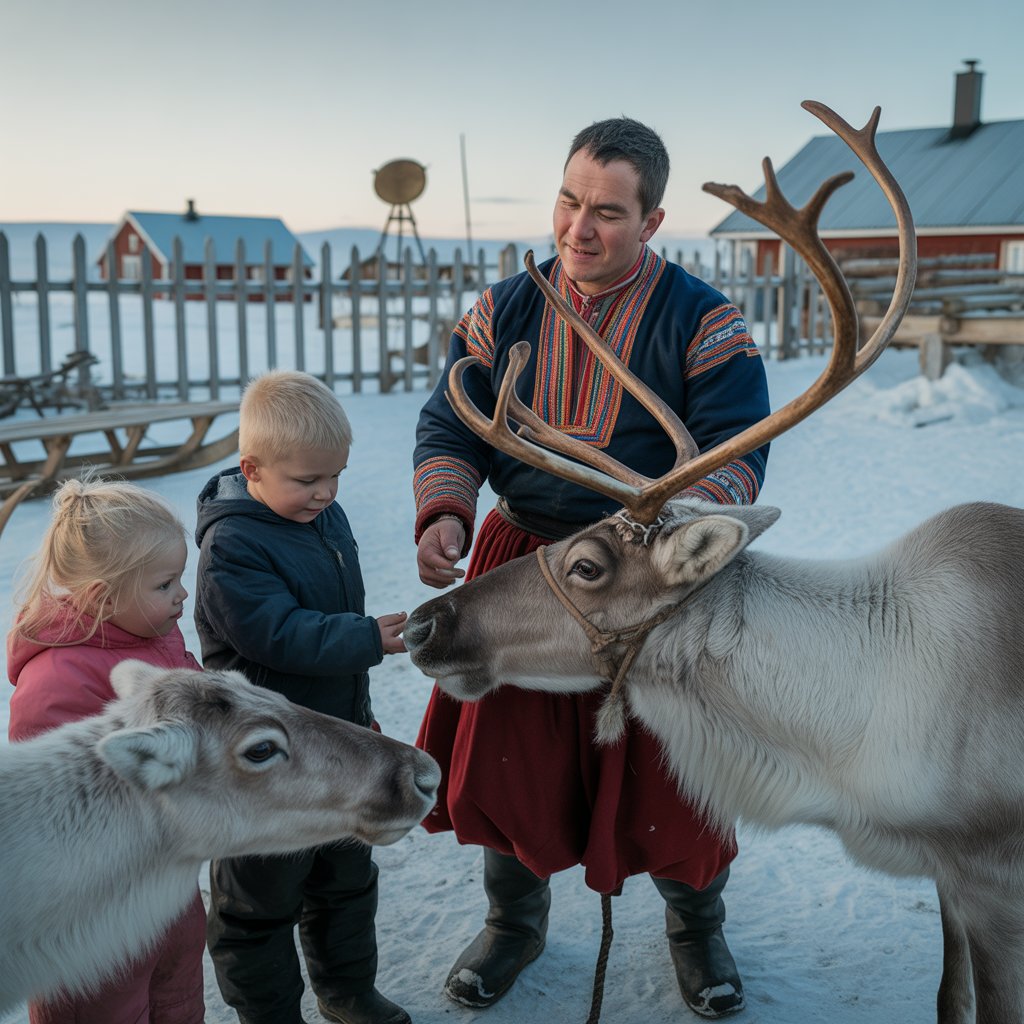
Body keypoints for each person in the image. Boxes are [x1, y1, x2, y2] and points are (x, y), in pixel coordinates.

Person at [413, 117, 771, 1019]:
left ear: (652, 221)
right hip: (522, 564)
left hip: (645, 582)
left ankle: (695, 926)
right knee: (507, 761)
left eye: (607, 212)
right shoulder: (502, 309)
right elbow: (450, 418)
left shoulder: (706, 322)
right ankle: (514, 920)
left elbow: (739, 451)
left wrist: (670, 536)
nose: (578, 228)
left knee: (675, 773)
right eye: (569, 201)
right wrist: (448, 510)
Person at [193, 369, 410, 1024]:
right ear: (251, 468)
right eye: (308, 480)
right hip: (261, 765)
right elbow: (280, 636)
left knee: (346, 880)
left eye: (334, 476)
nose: (325, 493)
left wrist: (356, 712)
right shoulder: (231, 548)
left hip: (336, 744)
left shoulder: (321, 516)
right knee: (259, 900)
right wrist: (365, 638)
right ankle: (270, 1015)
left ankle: (347, 992)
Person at [6, 477, 206, 1024]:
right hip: (94, 913)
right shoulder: (55, 684)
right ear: (101, 596)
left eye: (180, 579)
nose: (182, 596)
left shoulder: (155, 635)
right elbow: (58, 807)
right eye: (166, 584)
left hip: (167, 889)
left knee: (178, 1001)